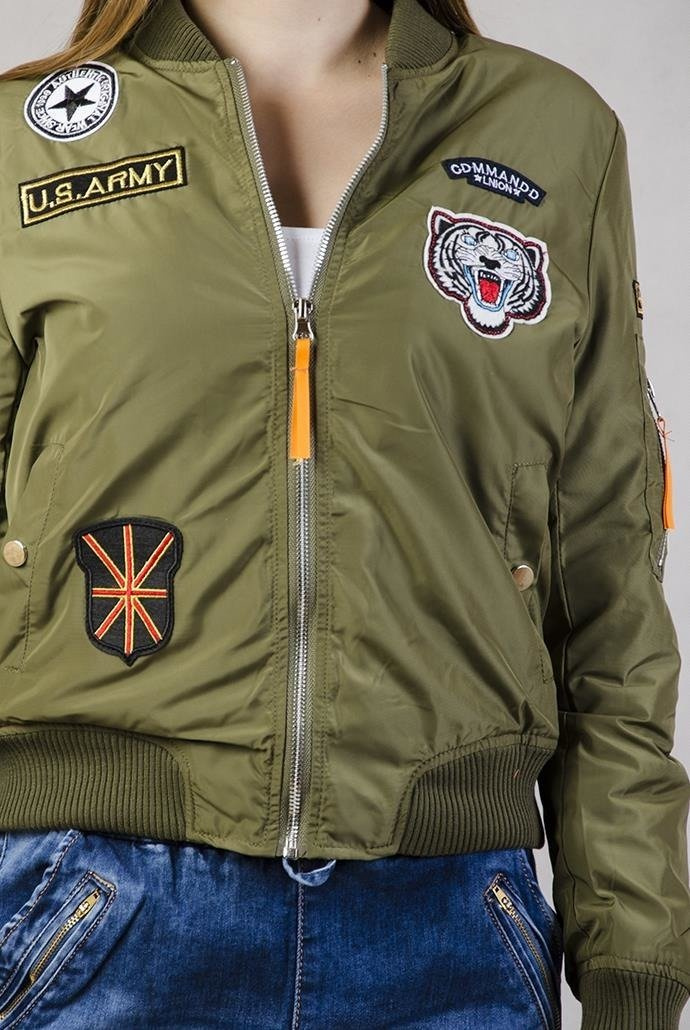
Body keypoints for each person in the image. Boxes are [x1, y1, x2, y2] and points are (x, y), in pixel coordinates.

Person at [0, 0, 687, 1026]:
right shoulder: (25, 142)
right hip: (91, 918)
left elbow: (610, 593)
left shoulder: (550, 130)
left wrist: (634, 968)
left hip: (451, 927)